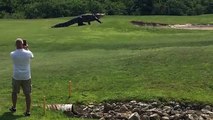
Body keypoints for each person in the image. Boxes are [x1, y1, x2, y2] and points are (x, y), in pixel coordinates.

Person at [9, 38, 34, 116]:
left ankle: (14, 107)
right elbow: (32, 56)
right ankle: (28, 111)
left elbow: (16, 52)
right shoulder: (28, 53)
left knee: (14, 92)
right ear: (23, 44)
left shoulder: (12, 54)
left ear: (15, 45)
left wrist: (23, 48)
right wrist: (27, 48)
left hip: (16, 76)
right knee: (27, 94)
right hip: (26, 76)